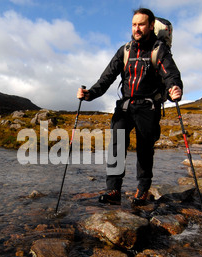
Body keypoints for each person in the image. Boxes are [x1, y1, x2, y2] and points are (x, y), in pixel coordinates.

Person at [77, 8, 183, 206]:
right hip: (125, 106)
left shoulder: (158, 50)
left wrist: (175, 89)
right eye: (134, 25)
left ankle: (142, 191)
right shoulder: (125, 50)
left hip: (148, 108)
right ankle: (113, 190)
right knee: (116, 146)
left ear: (151, 26)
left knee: (144, 150)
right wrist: (90, 94)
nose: (137, 28)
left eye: (141, 24)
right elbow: (107, 77)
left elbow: (171, 74)